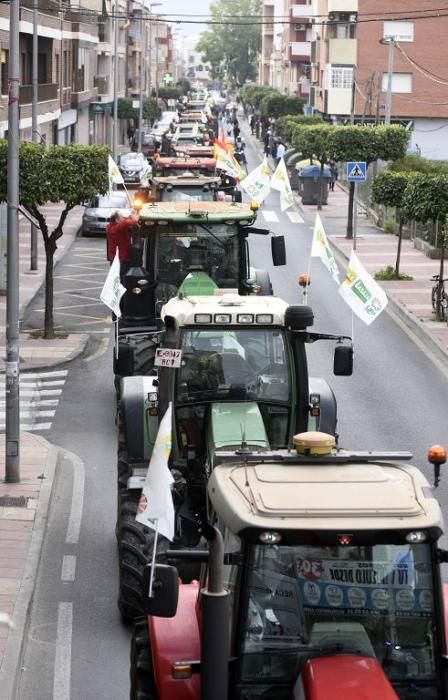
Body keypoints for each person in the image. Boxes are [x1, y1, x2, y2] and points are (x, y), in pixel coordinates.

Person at [106, 211, 138, 280]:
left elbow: (125, 220)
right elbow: (127, 222)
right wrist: (134, 218)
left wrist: (130, 216)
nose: (123, 218)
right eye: (121, 217)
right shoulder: (117, 228)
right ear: (117, 220)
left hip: (116, 258)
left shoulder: (110, 227)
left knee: (117, 278)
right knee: (123, 279)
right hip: (121, 259)